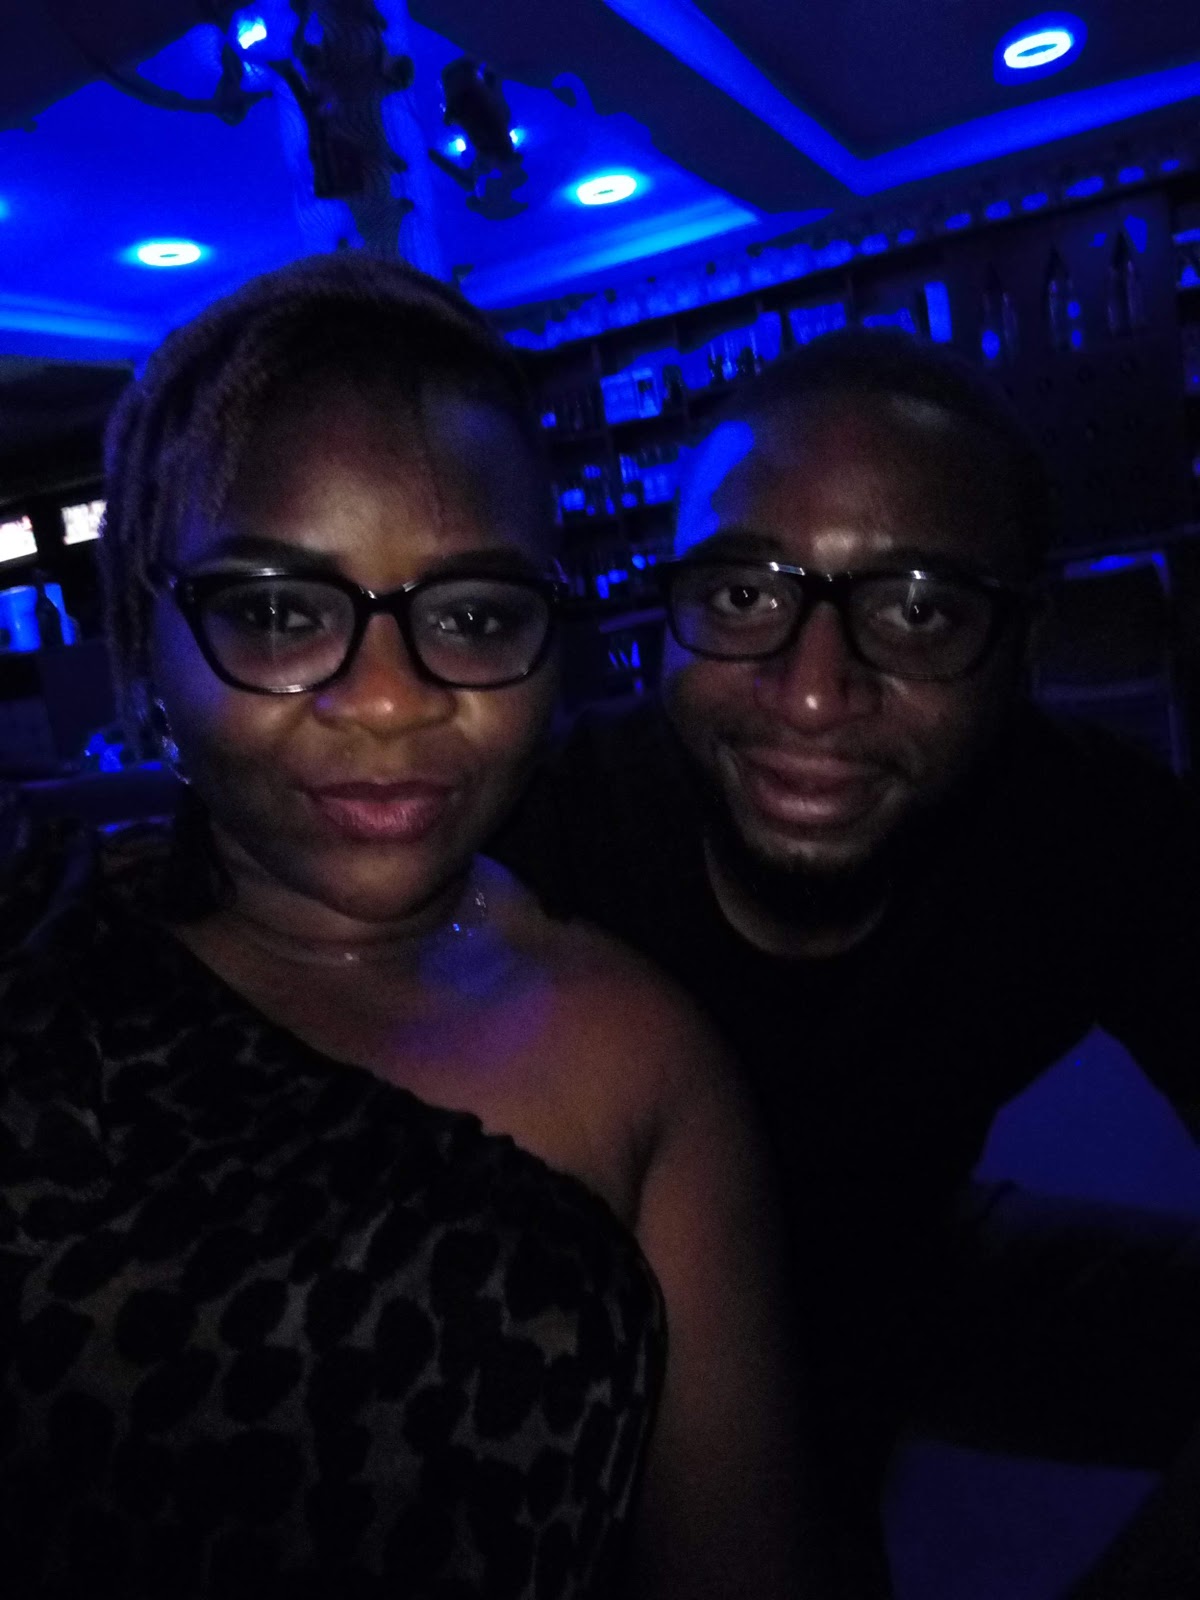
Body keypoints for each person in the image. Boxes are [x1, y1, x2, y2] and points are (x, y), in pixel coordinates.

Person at [0, 254, 808, 1600]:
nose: (388, 699)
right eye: (277, 613)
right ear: (144, 642)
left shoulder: (644, 1066)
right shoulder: (36, 948)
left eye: (475, 615)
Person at [494, 327, 1200, 1595]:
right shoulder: (540, 840)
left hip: (902, 1270)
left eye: (917, 610)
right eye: (742, 598)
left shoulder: (1094, 838)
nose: (814, 692)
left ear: (1023, 646)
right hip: (595, 1352)